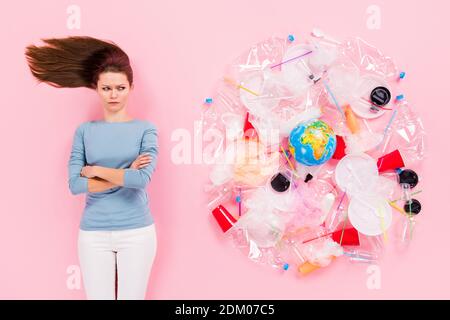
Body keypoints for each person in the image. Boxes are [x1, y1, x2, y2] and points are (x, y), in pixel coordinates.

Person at [25, 36, 159, 300]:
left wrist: (95, 170)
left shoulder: (146, 129)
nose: (113, 95)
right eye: (107, 88)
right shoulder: (85, 131)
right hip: (93, 234)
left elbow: (141, 179)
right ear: (96, 89)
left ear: (131, 87)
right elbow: (75, 185)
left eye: (120, 88)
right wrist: (124, 174)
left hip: (137, 233)